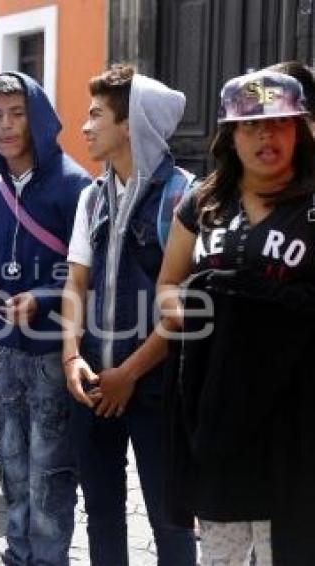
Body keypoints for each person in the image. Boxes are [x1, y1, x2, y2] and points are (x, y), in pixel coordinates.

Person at [158, 70, 315, 565]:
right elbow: (167, 283)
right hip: (217, 412)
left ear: (300, 129)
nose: (266, 136)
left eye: (280, 123)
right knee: (220, 558)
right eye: (251, 126)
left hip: (293, 424)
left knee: (285, 552)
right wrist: (179, 309)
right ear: (229, 135)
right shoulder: (203, 203)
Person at [61, 64, 197, 565]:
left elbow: (186, 305)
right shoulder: (91, 197)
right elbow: (76, 281)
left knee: (171, 517)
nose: (85, 126)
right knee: (101, 510)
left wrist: (130, 374)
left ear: (130, 124)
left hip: (160, 387)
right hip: (94, 378)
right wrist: (72, 357)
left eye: (96, 114)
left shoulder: (187, 197)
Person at [0, 72, 90, 565]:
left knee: (51, 469)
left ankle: (50, 557)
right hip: (8, 351)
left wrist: (40, 295)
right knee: (11, 463)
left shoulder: (76, 185)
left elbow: (87, 270)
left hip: (57, 354)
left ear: (39, 117)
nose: (5, 125)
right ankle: (18, 554)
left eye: (17, 113)